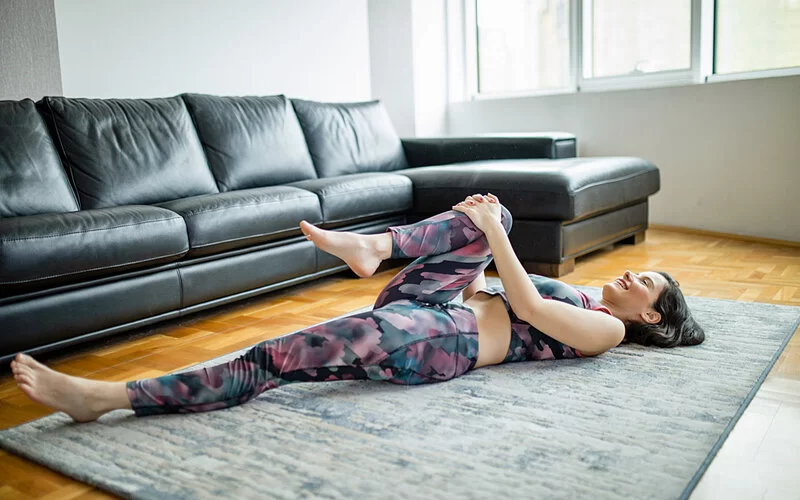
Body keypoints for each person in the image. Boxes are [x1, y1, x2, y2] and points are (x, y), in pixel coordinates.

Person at [9, 194, 704, 423]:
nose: (636, 274)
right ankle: (374, 246)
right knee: (500, 216)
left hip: (438, 340)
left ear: (651, 315)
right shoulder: (587, 295)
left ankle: (107, 396)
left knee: (278, 356)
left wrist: (493, 241)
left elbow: (522, 300)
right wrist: (488, 234)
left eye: (651, 283)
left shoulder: (606, 330)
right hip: (440, 304)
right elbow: (503, 284)